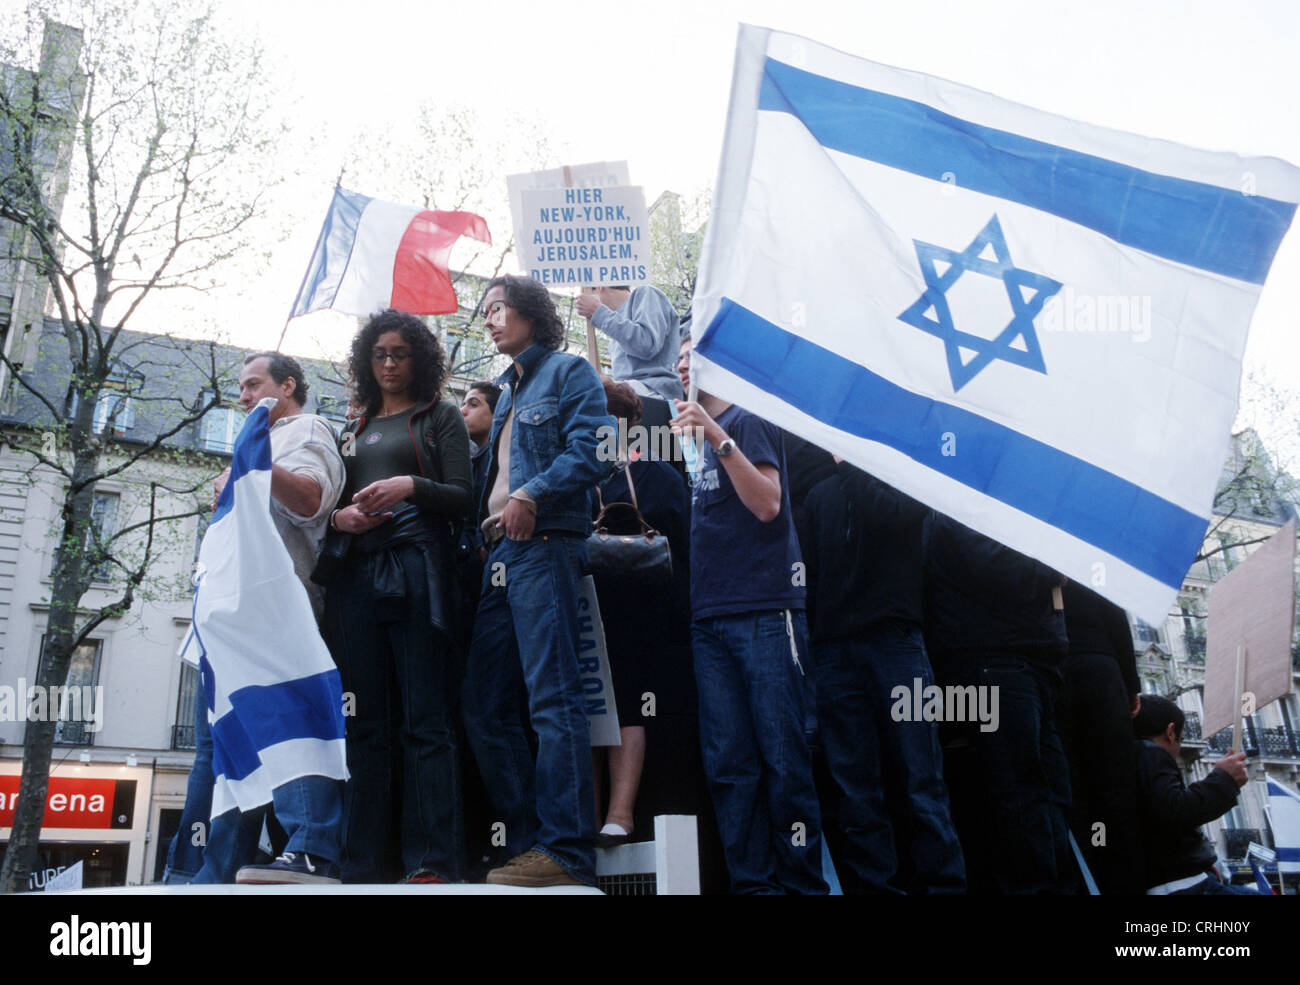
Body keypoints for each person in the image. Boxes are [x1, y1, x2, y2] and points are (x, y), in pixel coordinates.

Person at [165, 351, 347, 885]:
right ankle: (206, 869)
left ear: (287, 385)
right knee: (222, 749)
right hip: (226, 619)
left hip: (274, 609)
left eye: (253, 385)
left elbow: (313, 499)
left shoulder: (305, 429)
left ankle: (312, 848)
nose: (242, 397)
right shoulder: (250, 445)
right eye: (240, 387)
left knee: (285, 723)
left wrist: (256, 464)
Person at [461, 274, 615, 888]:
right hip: (498, 555)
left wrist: (532, 491)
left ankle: (568, 850)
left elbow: (597, 451)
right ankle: (528, 844)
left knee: (554, 697)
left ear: (529, 312)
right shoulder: (504, 390)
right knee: (483, 705)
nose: (491, 321)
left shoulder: (569, 372)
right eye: (486, 313)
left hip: (545, 543)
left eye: (498, 309)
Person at [670, 334, 827, 894]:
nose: (683, 364)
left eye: (692, 356)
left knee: (783, 761)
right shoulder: (684, 436)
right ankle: (753, 887)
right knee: (729, 767)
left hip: (764, 609)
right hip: (709, 616)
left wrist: (716, 436)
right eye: (678, 359)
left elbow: (768, 505)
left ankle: (804, 885)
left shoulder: (747, 418)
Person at [320, 309, 473, 883]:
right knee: (363, 724)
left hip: (418, 572)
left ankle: (431, 861)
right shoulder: (351, 429)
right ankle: (361, 863)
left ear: (420, 359)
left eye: (400, 353)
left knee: (426, 720)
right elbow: (329, 507)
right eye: (379, 354)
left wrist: (411, 485)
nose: (388, 364)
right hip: (357, 579)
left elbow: (463, 494)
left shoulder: (440, 417)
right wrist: (341, 518)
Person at [803, 460, 965, 894]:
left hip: (897, 641)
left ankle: (944, 887)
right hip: (836, 650)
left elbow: (886, 515)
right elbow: (811, 579)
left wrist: (852, 466)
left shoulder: (904, 480)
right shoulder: (819, 497)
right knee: (856, 789)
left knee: (921, 778)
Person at [923, 513, 1073, 894]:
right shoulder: (954, 502)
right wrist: (1053, 566)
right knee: (1019, 793)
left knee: (1047, 795)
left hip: (1027, 662)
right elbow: (995, 565)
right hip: (994, 661)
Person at [589, 378, 691, 846]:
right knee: (588, 708)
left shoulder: (657, 475)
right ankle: (586, 816)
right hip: (590, 610)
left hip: (643, 614)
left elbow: (686, 548)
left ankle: (621, 812)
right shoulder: (580, 475)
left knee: (630, 703)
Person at [1060, 581, 1145, 894]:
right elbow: (1115, 614)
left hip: (1056, 664)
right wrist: (1130, 682)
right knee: (1115, 790)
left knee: (1073, 788)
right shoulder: (1092, 551)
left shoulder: (1036, 542)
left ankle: (1089, 876)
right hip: (1102, 667)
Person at [1133, 695, 1253, 894]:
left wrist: (1198, 864)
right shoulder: (1150, 754)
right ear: (1171, 732)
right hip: (1180, 885)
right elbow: (1175, 810)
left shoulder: (1127, 758)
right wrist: (1224, 779)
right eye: (1181, 738)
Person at [576, 284, 683, 402]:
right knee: (618, 416)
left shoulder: (646, 293)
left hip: (654, 395)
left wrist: (597, 310)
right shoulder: (616, 332)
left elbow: (646, 344)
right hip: (628, 404)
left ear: (598, 287)